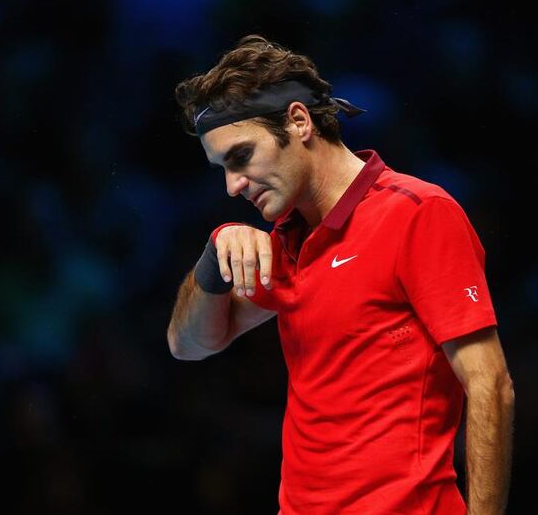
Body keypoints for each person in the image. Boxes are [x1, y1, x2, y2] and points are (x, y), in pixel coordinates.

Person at [168, 34, 514, 515]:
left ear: (298, 121)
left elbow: (490, 385)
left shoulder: (419, 213)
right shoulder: (283, 244)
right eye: (221, 169)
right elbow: (188, 345)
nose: (232, 186)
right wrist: (213, 261)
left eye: (241, 157)